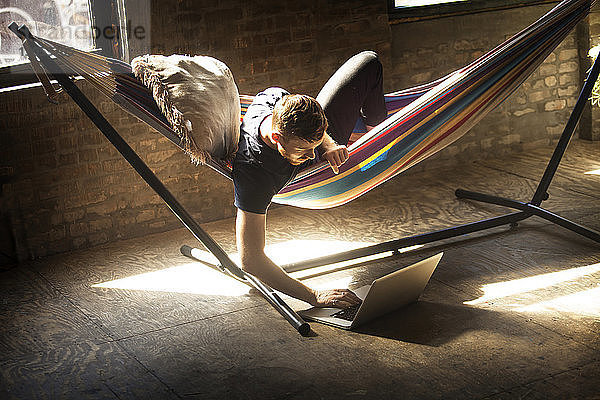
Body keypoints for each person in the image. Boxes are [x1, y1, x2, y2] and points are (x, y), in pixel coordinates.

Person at [232, 51, 387, 309]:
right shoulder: (254, 174)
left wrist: (328, 143)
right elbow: (250, 260)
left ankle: (377, 136)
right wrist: (313, 296)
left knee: (369, 62)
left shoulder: (277, 100)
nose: (312, 156)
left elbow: (313, 135)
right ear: (276, 137)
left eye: (314, 147)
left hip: (315, 134)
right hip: (294, 174)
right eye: (304, 152)